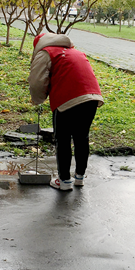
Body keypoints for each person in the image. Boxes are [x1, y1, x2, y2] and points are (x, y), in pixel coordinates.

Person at [29, 32, 103, 191]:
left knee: (63, 140)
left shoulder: (46, 53)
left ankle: (64, 181)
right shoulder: (75, 52)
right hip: (91, 97)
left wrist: (37, 99)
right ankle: (79, 178)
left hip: (67, 99)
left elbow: (37, 82)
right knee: (82, 137)